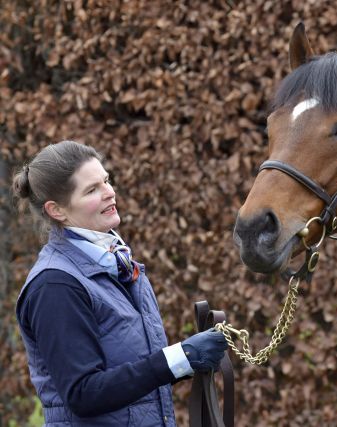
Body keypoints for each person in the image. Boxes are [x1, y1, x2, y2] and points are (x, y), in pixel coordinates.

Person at [13, 140, 227, 426]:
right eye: (92, 190)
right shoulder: (55, 285)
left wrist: (189, 360)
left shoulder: (120, 265)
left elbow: (136, 381)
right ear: (57, 210)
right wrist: (180, 358)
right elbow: (84, 394)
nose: (109, 193)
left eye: (106, 180)